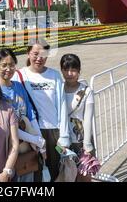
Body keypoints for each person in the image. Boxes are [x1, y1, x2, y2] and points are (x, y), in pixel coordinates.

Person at [13, 39, 69, 181]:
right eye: (35, 54)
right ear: (28, 54)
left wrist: (64, 135)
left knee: (55, 170)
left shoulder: (54, 75)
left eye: (43, 54)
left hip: (53, 133)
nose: (39, 58)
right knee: (33, 170)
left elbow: (62, 106)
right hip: (31, 133)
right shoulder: (19, 76)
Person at [0, 48, 46, 182]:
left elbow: (29, 114)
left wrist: (39, 139)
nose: (8, 69)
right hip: (7, 148)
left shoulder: (18, 86)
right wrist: (35, 140)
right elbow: (8, 125)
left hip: (26, 148)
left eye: (11, 65)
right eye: (4, 65)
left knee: (28, 176)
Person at [60, 54, 98, 182]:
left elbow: (87, 119)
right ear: (62, 70)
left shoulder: (86, 91)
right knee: (65, 175)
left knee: (84, 176)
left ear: (79, 71)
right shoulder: (58, 89)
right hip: (61, 140)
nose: (70, 73)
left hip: (81, 141)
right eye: (66, 70)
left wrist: (87, 146)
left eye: (73, 70)